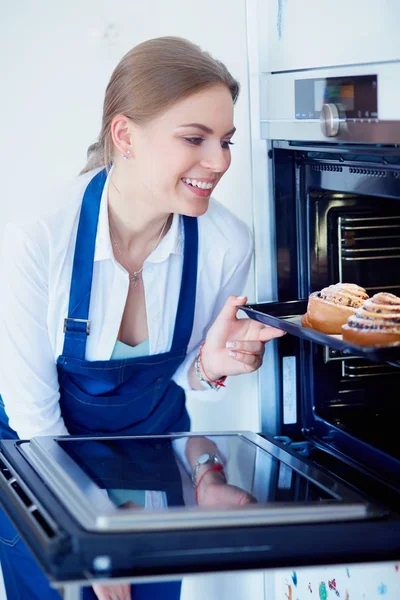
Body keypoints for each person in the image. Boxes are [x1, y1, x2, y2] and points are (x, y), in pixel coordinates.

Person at [0, 36, 284, 600]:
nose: (221, 161)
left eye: (225, 141)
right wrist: (99, 541)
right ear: (125, 135)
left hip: (153, 463)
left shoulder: (227, 243)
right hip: (40, 470)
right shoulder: (38, 240)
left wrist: (209, 363)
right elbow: (36, 421)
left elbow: (180, 386)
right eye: (194, 138)